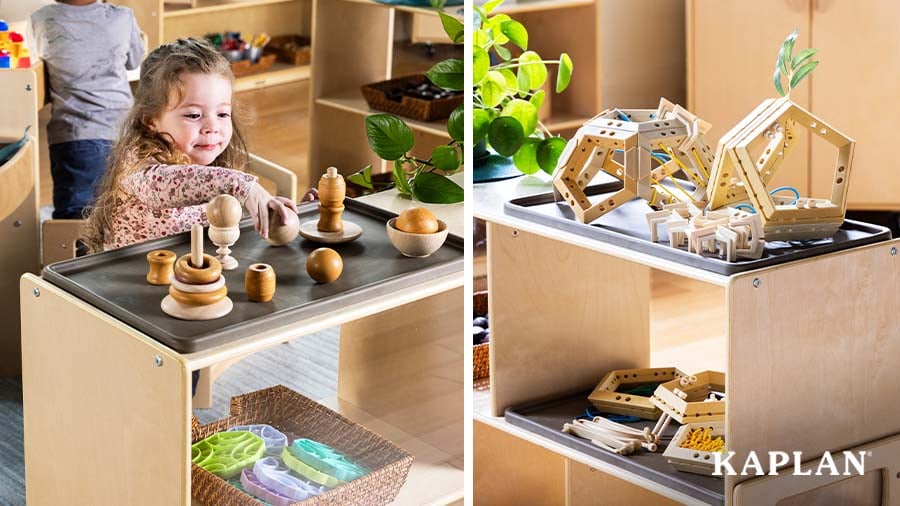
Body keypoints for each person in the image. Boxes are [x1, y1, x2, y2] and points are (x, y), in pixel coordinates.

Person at [81, 37, 298, 253]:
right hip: (131, 278)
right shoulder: (137, 160)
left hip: (192, 271)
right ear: (150, 120)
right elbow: (163, 185)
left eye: (223, 113)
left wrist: (265, 209)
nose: (212, 127)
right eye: (194, 115)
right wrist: (241, 186)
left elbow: (217, 211)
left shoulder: (213, 165)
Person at [28, 0, 144, 219]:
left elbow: (37, 63)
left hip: (73, 136)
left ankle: (83, 253)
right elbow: (134, 61)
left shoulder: (41, 19)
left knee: (75, 218)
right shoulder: (123, 17)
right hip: (125, 131)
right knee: (126, 210)